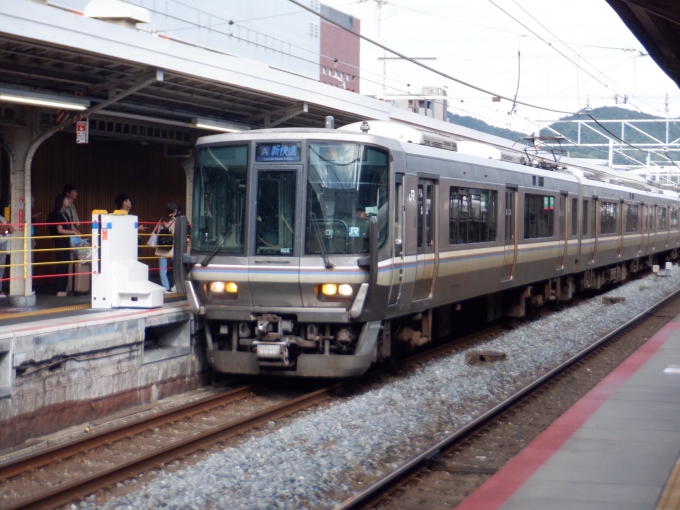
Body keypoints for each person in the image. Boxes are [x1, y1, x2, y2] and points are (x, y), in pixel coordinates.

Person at [47, 194, 79, 297]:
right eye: (66, 198)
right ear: (61, 200)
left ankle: (63, 288)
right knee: (61, 264)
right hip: (61, 241)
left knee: (66, 264)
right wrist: (72, 232)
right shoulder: (57, 214)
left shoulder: (65, 213)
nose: (68, 200)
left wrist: (77, 232)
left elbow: (71, 226)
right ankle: (59, 289)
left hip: (67, 241)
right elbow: (59, 230)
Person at [153, 202, 178, 293]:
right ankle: (175, 285)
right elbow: (175, 234)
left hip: (161, 246)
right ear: (175, 211)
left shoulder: (161, 219)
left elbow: (157, 231)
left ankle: (166, 287)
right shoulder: (175, 221)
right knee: (175, 267)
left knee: (163, 268)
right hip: (171, 247)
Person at [0, 200, 15, 296]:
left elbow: (9, 230)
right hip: (1, 243)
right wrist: (7, 230)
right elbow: (3, 231)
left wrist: (7, 229)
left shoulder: (3, 218)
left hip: (4, 243)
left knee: (2, 268)